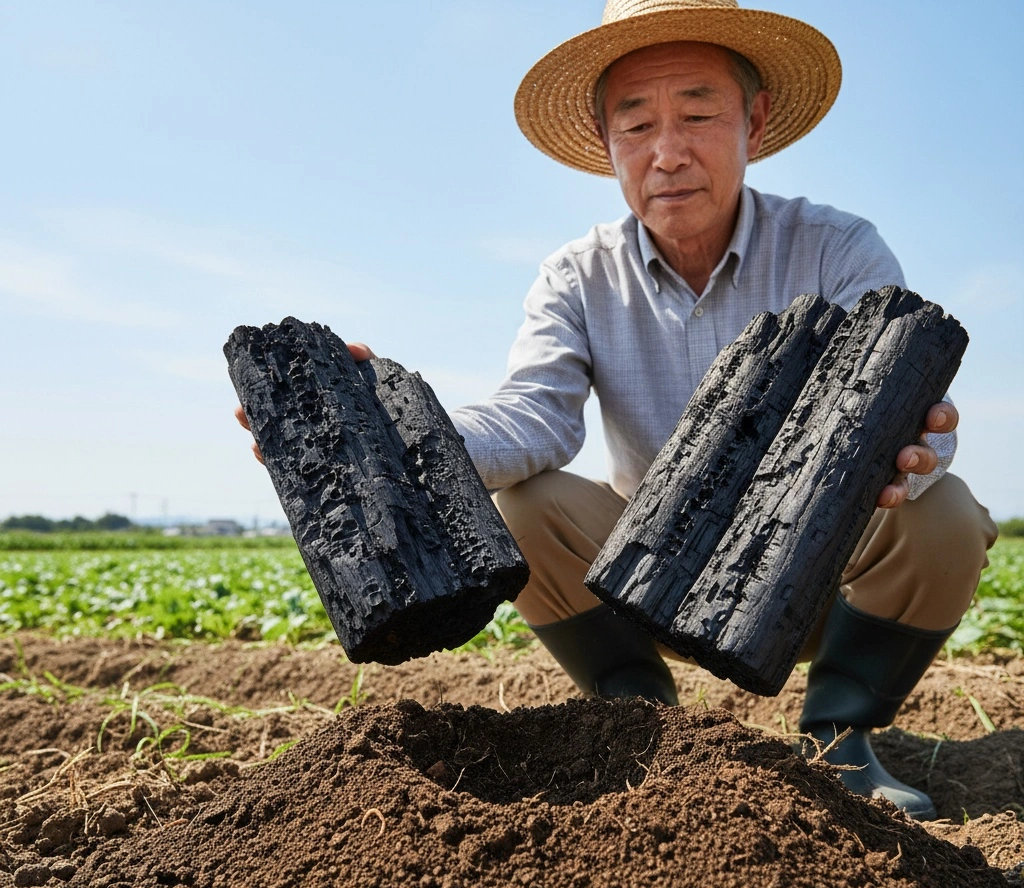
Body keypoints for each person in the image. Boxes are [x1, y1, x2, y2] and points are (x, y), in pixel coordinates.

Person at [239, 0, 998, 820]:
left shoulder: (836, 248)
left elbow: (903, 405)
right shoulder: (576, 275)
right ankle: (639, 723)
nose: (667, 153)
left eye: (698, 114)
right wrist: (397, 437)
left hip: (812, 575)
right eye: (636, 125)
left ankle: (838, 735)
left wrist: (916, 446)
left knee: (945, 513)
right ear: (607, 142)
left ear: (754, 120)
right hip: (643, 577)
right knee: (527, 505)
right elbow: (534, 417)